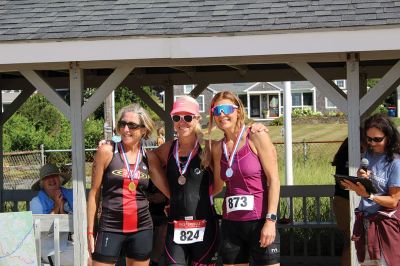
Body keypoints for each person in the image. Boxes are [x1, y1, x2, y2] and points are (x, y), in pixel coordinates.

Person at [87, 103, 170, 266]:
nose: (126, 129)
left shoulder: (149, 158)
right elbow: (94, 193)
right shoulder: (107, 151)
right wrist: (90, 231)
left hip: (142, 228)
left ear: (144, 130)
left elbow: (168, 192)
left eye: (132, 125)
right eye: (122, 124)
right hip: (110, 227)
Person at [208, 91, 280, 266]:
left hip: (260, 221)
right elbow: (217, 187)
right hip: (231, 224)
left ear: (238, 111)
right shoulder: (217, 147)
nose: (222, 115)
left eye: (226, 109)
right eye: (216, 111)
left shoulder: (256, 136)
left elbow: (274, 180)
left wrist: (270, 221)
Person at [153, 96, 220, 266]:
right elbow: (147, 160)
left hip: (205, 225)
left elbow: (219, 186)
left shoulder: (209, 148)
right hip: (176, 226)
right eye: (177, 118)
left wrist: (255, 128)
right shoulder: (167, 148)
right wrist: (171, 194)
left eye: (188, 117)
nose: (182, 122)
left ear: (197, 119)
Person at [341, 113, 400, 265]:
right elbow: (367, 187)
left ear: (389, 137)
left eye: (377, 139)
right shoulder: (368, 154)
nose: (372, 143)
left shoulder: (395, 163)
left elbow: (393, 202)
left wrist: (368, 195)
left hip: (386, 226)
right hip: (365, 223)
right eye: (369, 139)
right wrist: (360, 179)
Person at [30, 163, 74, 266]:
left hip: (69, 243)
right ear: (42, 184)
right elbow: (39, 230)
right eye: (47, 178)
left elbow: (78, 222)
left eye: (54, 176)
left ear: (60, 180)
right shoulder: (36, 202)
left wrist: (62, 210)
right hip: (49, 248)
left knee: (94, 256)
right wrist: (56, 207)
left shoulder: (70, 196)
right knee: (86, 259)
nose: (52, 180)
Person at [331, 139, 351, 266]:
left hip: (341, 201)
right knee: (351, 241)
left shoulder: (343, 155)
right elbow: (342, 183)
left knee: (349, 242)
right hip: (345, 201)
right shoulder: (347, 157)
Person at [147, 179, 168, 266]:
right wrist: (151, 197)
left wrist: (164, 198)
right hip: (149, 213)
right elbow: (143, 192)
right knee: (147, 239)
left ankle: (154, 262)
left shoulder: (169, 174)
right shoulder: (150, 178)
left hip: (164, 215)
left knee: (160, 239)